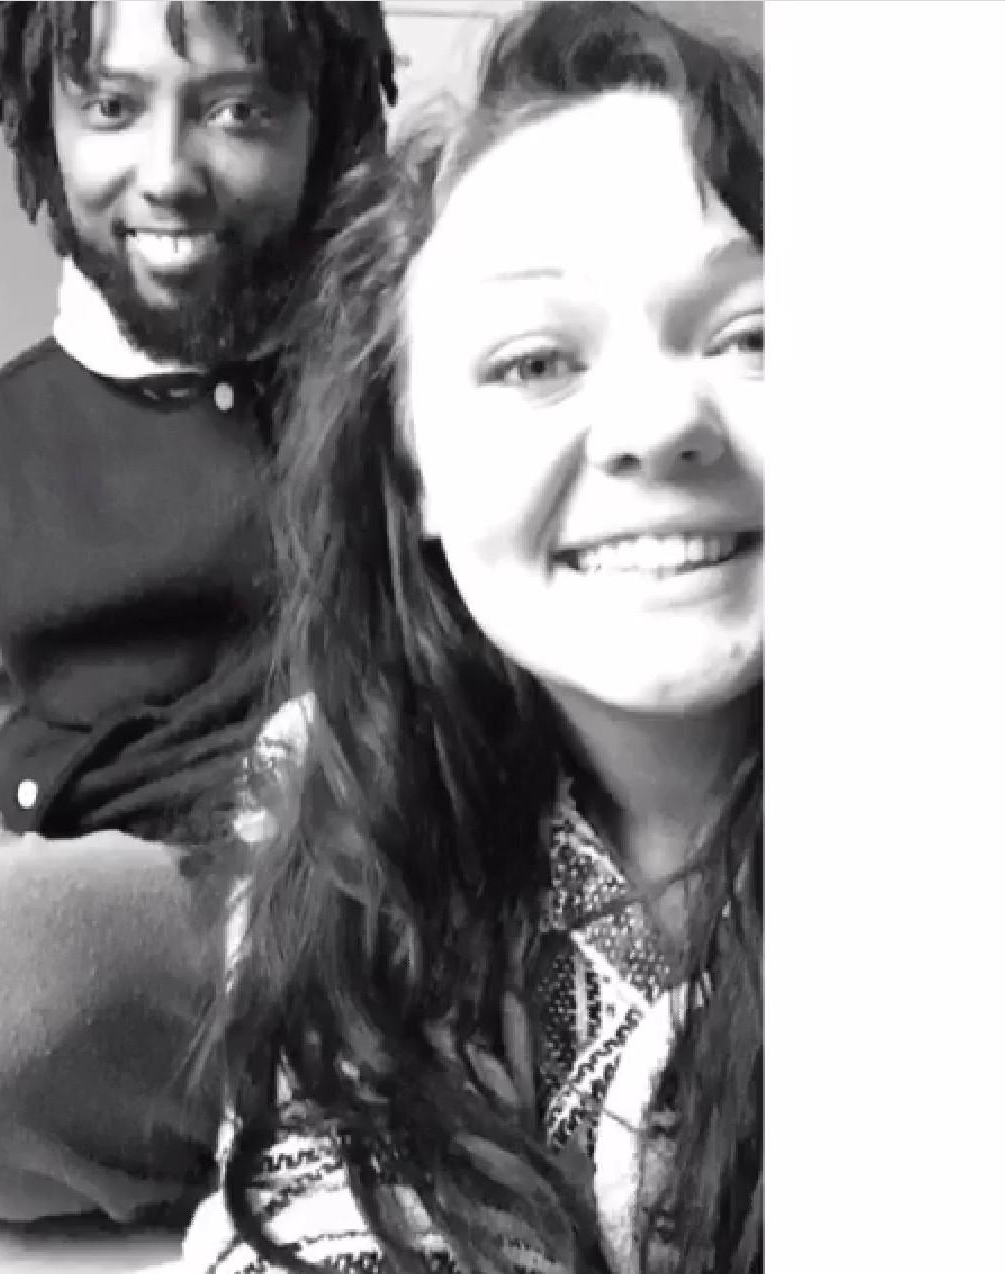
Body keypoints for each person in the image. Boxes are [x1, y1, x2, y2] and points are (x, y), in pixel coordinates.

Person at [178, 3, 763, 1273]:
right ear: (412, 472)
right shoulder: (335, 785)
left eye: (754, 336)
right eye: (534, 361)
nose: (658, 423)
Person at [0, 0, 397, 1226]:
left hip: (396, 869)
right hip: (140, 944)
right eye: (110, 105)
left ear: (326, 119)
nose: (166, 173)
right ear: (41, 126)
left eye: (239, 109)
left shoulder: (401, 375)